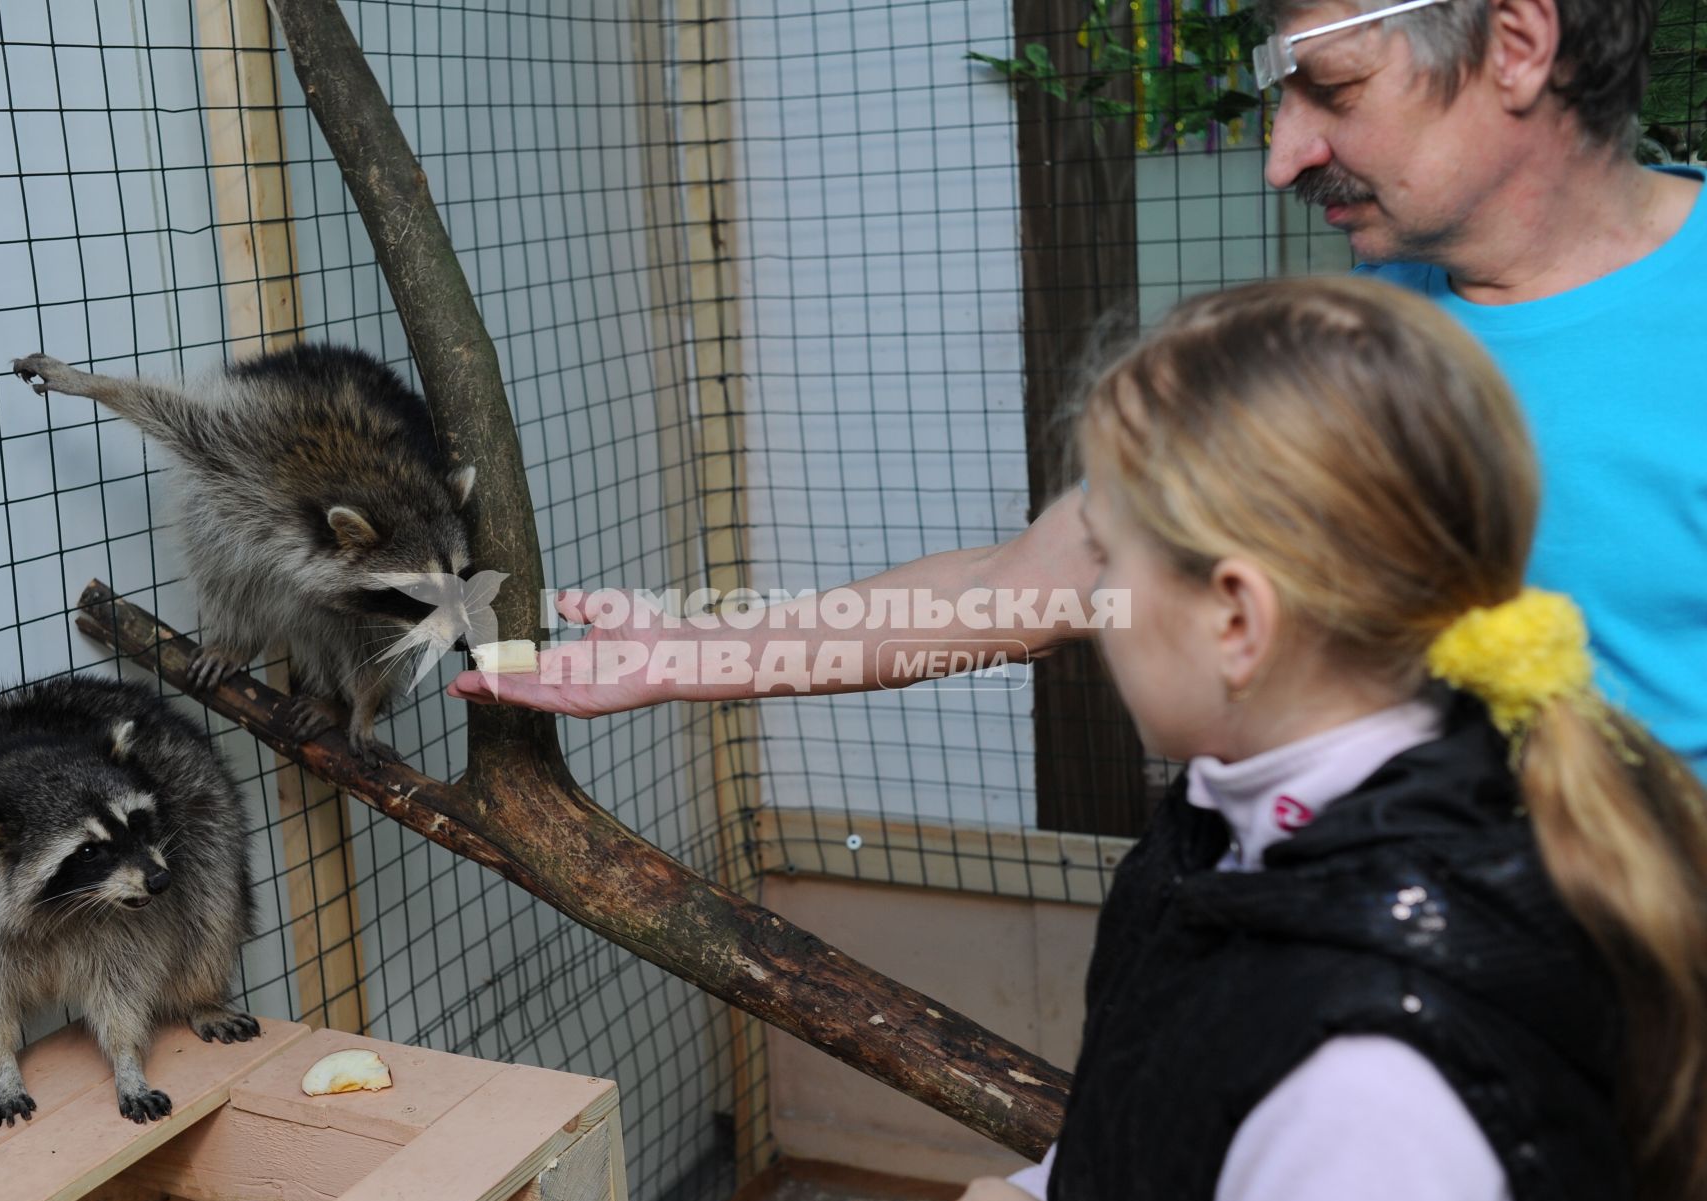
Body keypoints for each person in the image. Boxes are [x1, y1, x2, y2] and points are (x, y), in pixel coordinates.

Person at [449, 0, 1706, 779]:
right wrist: (699, 650)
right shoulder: (1348, 347)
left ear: (1520, 45)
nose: (1284, 156)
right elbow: (1023, 583)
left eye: (1333, 90)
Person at [786, 276, 1707, 1201]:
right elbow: (1173, 1129)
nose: (1094, 600)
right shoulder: (1228, 819)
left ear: (1237, 620)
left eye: (1106, 559)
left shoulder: (1370, 1091)